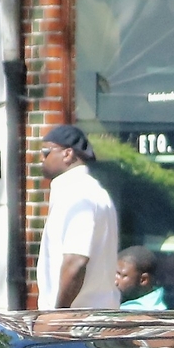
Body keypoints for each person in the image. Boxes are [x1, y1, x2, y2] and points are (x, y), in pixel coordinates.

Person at [36, 125, 120, 310]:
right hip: (91, 318)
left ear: (68, 154)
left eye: (46, 152)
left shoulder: (78, 194)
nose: (41, 159)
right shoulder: (92, 192)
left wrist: (58, 315)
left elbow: (76, 261)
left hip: (77, 323)